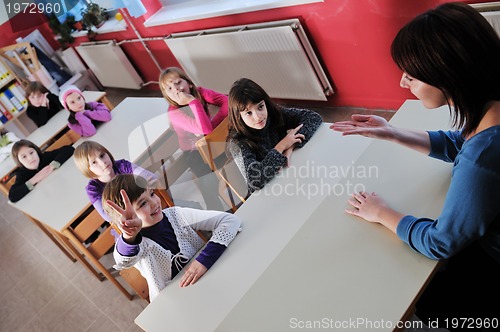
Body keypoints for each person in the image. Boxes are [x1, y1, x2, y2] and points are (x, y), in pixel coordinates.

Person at [330, 2, 500, 328]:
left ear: (449, 74)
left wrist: (382, 213)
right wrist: (393, 132)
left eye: (411, 75)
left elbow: (441, 242)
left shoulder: (483, 158)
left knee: (415, 303)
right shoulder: (491, 110)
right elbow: (462, 144)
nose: (402, 83)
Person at [102, 174, 241, 301]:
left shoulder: (176, 215)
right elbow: (123, 261)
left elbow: (229, 221)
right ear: (126, 219)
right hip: (177, 302)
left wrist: (204, 261)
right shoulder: (137, 245)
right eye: (143, 203)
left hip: (211, 280)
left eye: (152, 194)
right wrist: (128, 236)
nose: (154, 202)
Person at [227, 78, 322, 193]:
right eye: (248, 113)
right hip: (269, 194)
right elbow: (255, 181)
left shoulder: (273, 115)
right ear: (238, 116)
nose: (258, 117)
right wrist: (281, 147)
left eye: (260, 107)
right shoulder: (237, 142)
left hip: (291, 179)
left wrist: (290, 146)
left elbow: (313, 117)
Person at [159, 66, 227, 210]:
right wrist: (192, 101)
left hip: (212, 141)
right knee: (208, 181)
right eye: (169, 88)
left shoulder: (201, 92)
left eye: (178, 83)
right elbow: (205, 129)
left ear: (189, 83)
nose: (176, 89)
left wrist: (213, 125)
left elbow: (227, 102)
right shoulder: (174, 113)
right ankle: (216, 212)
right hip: (194, 152)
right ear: (167, 96)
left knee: (238, 150)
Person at [74, 140, 158, 222]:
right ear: (87, 169)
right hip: (129, 221)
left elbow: (151, 178)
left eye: (102, 155)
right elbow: (107, 216)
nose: (103, 162)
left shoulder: (122, 165)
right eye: (94, 162)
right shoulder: (93, 189)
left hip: (149, 208)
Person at [9, 139, 74, 202]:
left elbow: (68, 149)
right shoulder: (22, 173)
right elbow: (13, 196)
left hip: (63, 187)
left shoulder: (44, 157)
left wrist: (52, 166)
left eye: (31, 152)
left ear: (36, 151)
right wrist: (34, 180)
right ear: (19, 161)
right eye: (24, 157)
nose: (30, 158)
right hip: (48, 200)